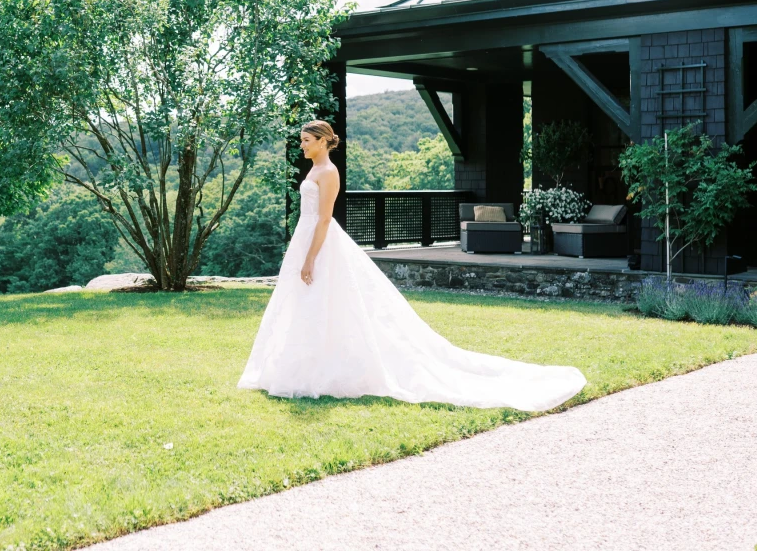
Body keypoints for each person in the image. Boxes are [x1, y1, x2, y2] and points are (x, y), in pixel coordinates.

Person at [238, 120, 586, 411]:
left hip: (318, 239)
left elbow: (325, 219)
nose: (302, 145)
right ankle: (300, 367)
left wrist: (310, 257)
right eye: (302, 140)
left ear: (323, 142)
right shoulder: (314, 168)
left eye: (307, 140)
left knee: (326, 298)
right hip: (305, 235)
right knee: (303, 304)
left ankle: (323, 369)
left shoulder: (328, 172)